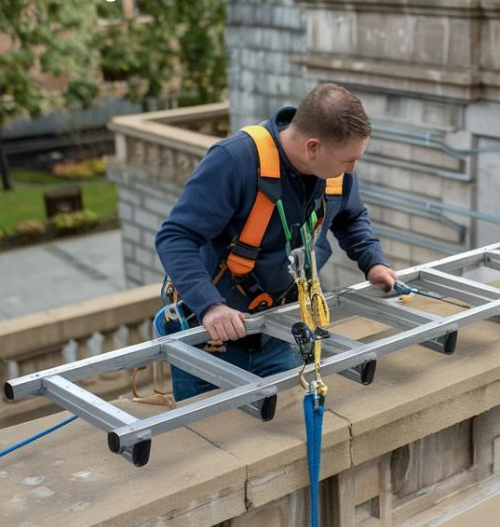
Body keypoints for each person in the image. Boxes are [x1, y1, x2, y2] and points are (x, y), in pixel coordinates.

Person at [155, 83, 397, 401]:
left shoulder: (334, 171)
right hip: (213, 339)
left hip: (279, 330)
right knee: (214, 435)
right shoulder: (234, 161)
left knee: (282, 421)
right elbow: (175, 238)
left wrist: (373, 262)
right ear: (313, 147)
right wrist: (210, 306)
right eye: (348, 161)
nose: (353, 169)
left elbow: (351, 218)